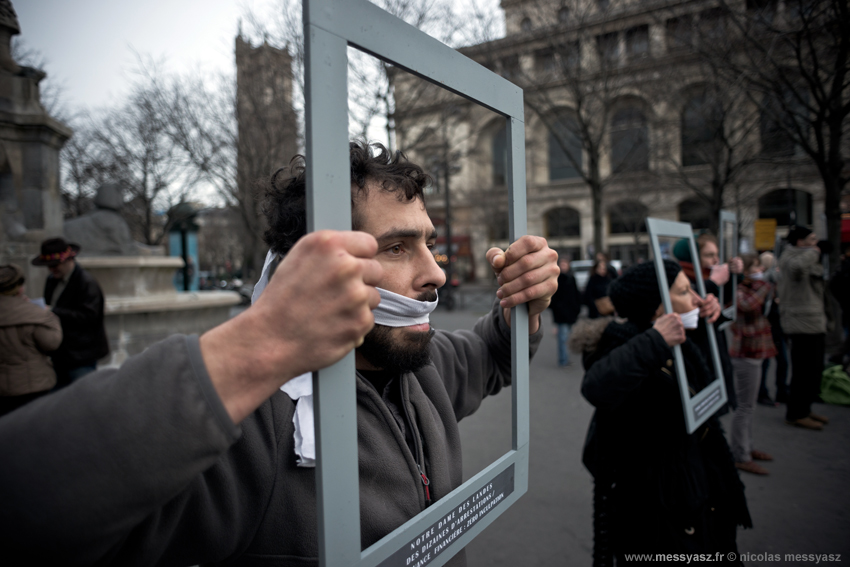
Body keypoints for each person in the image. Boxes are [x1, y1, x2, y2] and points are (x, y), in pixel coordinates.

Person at [0, 141, 559, 565]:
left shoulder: (422, 364)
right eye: (396, 247)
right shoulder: (258, 424)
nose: (435, 273)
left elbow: (493, 353)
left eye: (428, 243)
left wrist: (522, 299)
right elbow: (30, 501)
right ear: (313, 266)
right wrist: (259, 344)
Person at [576, 260, 750, 564]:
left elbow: (715, 394)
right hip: (659, 507)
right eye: (685, 291)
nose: (697, 298)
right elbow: (596, 387)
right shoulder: (627, 345)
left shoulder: (683, 345)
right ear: (658, 310)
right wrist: (656, 339)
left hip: (698, 489)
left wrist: (710, 325)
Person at [673, 233, 741, 411]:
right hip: (696, 355)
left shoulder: (709, 276)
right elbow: (691, 314)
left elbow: (725, 308)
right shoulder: (679, 280)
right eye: (709, 255)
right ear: (692, 257)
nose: (716, 260)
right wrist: (711, 283)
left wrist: (735, 275)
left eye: (716, 254)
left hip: (715, 351)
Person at [31, 237, 109, 387]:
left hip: (81, 355)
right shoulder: (52, 280)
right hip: (60, 354)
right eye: (48, 266)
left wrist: (53, 311)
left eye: (55, 265)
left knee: (83, 399)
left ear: (68, 260)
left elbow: (89, 317)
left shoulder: (86, 282)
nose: (52, 269)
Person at [729, 254, 776, 475]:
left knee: (749, 405)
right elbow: (748, 305)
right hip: (745, 351)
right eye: (756, 265)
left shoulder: (751, 287)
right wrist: (763, 286)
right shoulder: (742, 289)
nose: (761, 269)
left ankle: (747, 447)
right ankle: (741, 454)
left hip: (754, 349)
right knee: (744, 406)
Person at [778, 226, 828, 430]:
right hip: (801, 323)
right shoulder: (791, 257)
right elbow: (797, 268)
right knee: (802, 371)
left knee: (814, 370)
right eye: (812, 239)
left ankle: (805, 409)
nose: (816, 244)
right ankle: (796, 413)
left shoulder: (804, 256)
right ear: (800, 242)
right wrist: (815, 253)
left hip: (813, 320)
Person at [0, 264, 63, 417]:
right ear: (20, 288)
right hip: (34, 385)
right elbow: (51, 342)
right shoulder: (34, 313)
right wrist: (50, 317)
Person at [757, 251, 788, 406]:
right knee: (766, 362)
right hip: (767, 326)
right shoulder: (763, 282)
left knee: (782, 361)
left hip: (776, 326)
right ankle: (762, 392)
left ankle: (781, 390)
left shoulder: (775, 283)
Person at [549, 256, 581, 366]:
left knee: (567, 337)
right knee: (562, 338)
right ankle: (563, 360)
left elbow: (576, 295)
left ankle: (565, 358)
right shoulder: (556, 279)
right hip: (561, 314)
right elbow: (552, 298)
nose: (563, 266)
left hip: (570, 313)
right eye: (562, 264)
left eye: (565, 264)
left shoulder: (571, 278)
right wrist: (557, 308)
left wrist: (577, 308)